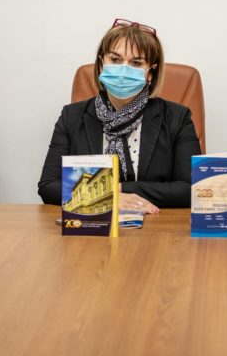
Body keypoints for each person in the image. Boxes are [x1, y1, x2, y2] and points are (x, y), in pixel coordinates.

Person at [38, 18, 200, 212]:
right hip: (91, 224)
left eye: (136, 63)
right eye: (115, 60)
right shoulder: (71, 116)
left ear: (150, 72)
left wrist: (117, 190)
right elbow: (48, 186)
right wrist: (110, 199)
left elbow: (190, 189)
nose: (124, 69)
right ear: (101, 63)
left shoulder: (177, 118)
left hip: (154, 224)